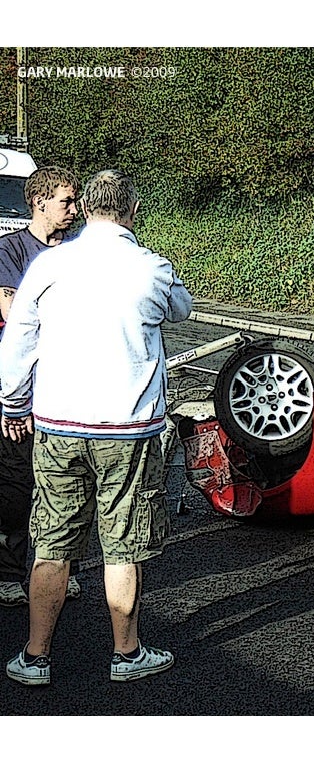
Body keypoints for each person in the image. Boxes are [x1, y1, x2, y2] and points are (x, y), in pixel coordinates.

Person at [0, 169, 193, 686]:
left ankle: (35, 657)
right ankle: (125, 654)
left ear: (85, 209)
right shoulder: (152, 268)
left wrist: (14, 405)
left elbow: (19, 341)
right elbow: (182, 309)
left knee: (53, 543)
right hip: (128, 430)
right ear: (132, 210)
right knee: (123, 544)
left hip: (59, 425)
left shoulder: (48, 266)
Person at [0, 165, 83, 608]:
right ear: (40, 202)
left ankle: (56, 568)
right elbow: (15, 317)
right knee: (16, 484)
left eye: (75, 201)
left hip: (68, 385)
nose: (74, 209)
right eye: (66, 201)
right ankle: (8, 572)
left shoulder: (77, 252)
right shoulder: (10, 251)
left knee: (64, 485)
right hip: (23, 384)